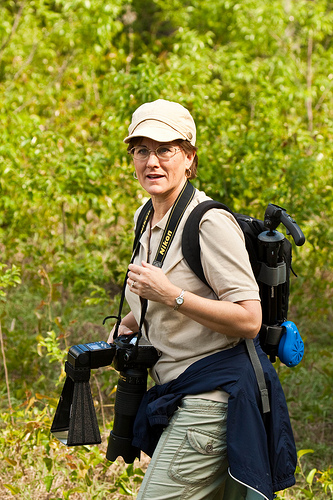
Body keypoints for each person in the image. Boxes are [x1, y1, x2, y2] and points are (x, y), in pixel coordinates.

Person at [107, 99, 296, 500]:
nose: (151, 162)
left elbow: (249, 319)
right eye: (141, 150)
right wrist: (127, 327)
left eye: (165, 149)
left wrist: (171, 295)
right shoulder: (147, 214)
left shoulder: (208, 222)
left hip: (213, 400)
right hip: (176, 392)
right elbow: (152, 295)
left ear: (189, 157)